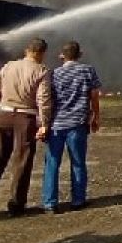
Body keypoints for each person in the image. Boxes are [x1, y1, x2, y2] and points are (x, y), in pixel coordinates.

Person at [0, 37, 53, 218]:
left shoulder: (8, 66)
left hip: (2, 116)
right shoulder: (41, 70)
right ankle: (16, 205)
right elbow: (43, 100)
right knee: (22, 162)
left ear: (26, 50)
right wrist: (44, 124)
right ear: (41, 53)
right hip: (25, 118)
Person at [42, 41, 102, 213]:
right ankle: (78, 200)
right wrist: (96, 117)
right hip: (77, 124)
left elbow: (48, 99)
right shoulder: (87, 70)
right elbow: (94, 96)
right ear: (80, 54)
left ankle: (49, 203)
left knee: (52, 163)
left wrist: (44, 123)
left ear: (62, 56)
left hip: (56, 125)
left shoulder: (54, 74)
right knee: (78, 163)